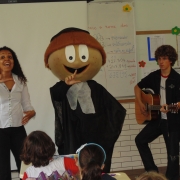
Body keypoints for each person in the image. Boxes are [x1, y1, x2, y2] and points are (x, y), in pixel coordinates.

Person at [44, 27, 126, 172]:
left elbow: (115, 109)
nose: (76, 64)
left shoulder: (96, 87)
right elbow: (56, 96)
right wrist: (66, 84)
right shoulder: (61, 87)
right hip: (73, 135)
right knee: (75, 167)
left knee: (94, 165)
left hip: (95, 134)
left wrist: (107, 131)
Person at [134, 45, 180, 180]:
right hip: (158, 120)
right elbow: (137, 87)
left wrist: (173, 106)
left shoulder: (177, 79)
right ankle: (152, 172)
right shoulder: (154, 76)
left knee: (172, 155)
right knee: (140, 140)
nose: (161, 62)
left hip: (172, 121)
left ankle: (171, 178)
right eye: (159, 58)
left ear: (170, 60)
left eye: (164, 59)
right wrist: (141, 103)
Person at [0, 46, 36, 180]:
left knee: (25, 164)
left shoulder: (20, 81)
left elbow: (27, 104)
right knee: (2, 167)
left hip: (17, 129)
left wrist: (31, 113)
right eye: (2, 57)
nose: (6, 59)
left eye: (9, 56)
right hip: (0, 130)